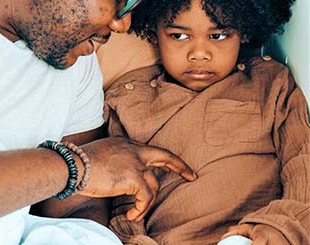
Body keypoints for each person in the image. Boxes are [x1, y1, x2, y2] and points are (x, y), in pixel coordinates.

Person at [0, 0, 197, 242]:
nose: (122, 24)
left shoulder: (76, 64)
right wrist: (75, 167)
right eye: (119, 2)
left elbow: (78, 206)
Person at [105, 0, 310, 244]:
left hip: (259, 233)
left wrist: (283, 225)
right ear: (153, 31)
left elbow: (303, 161)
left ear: (244, 31)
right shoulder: (128, 100)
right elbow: (124, 204)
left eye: (219, 35)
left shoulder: (271, 84)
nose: (199, 54)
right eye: (179, 35)